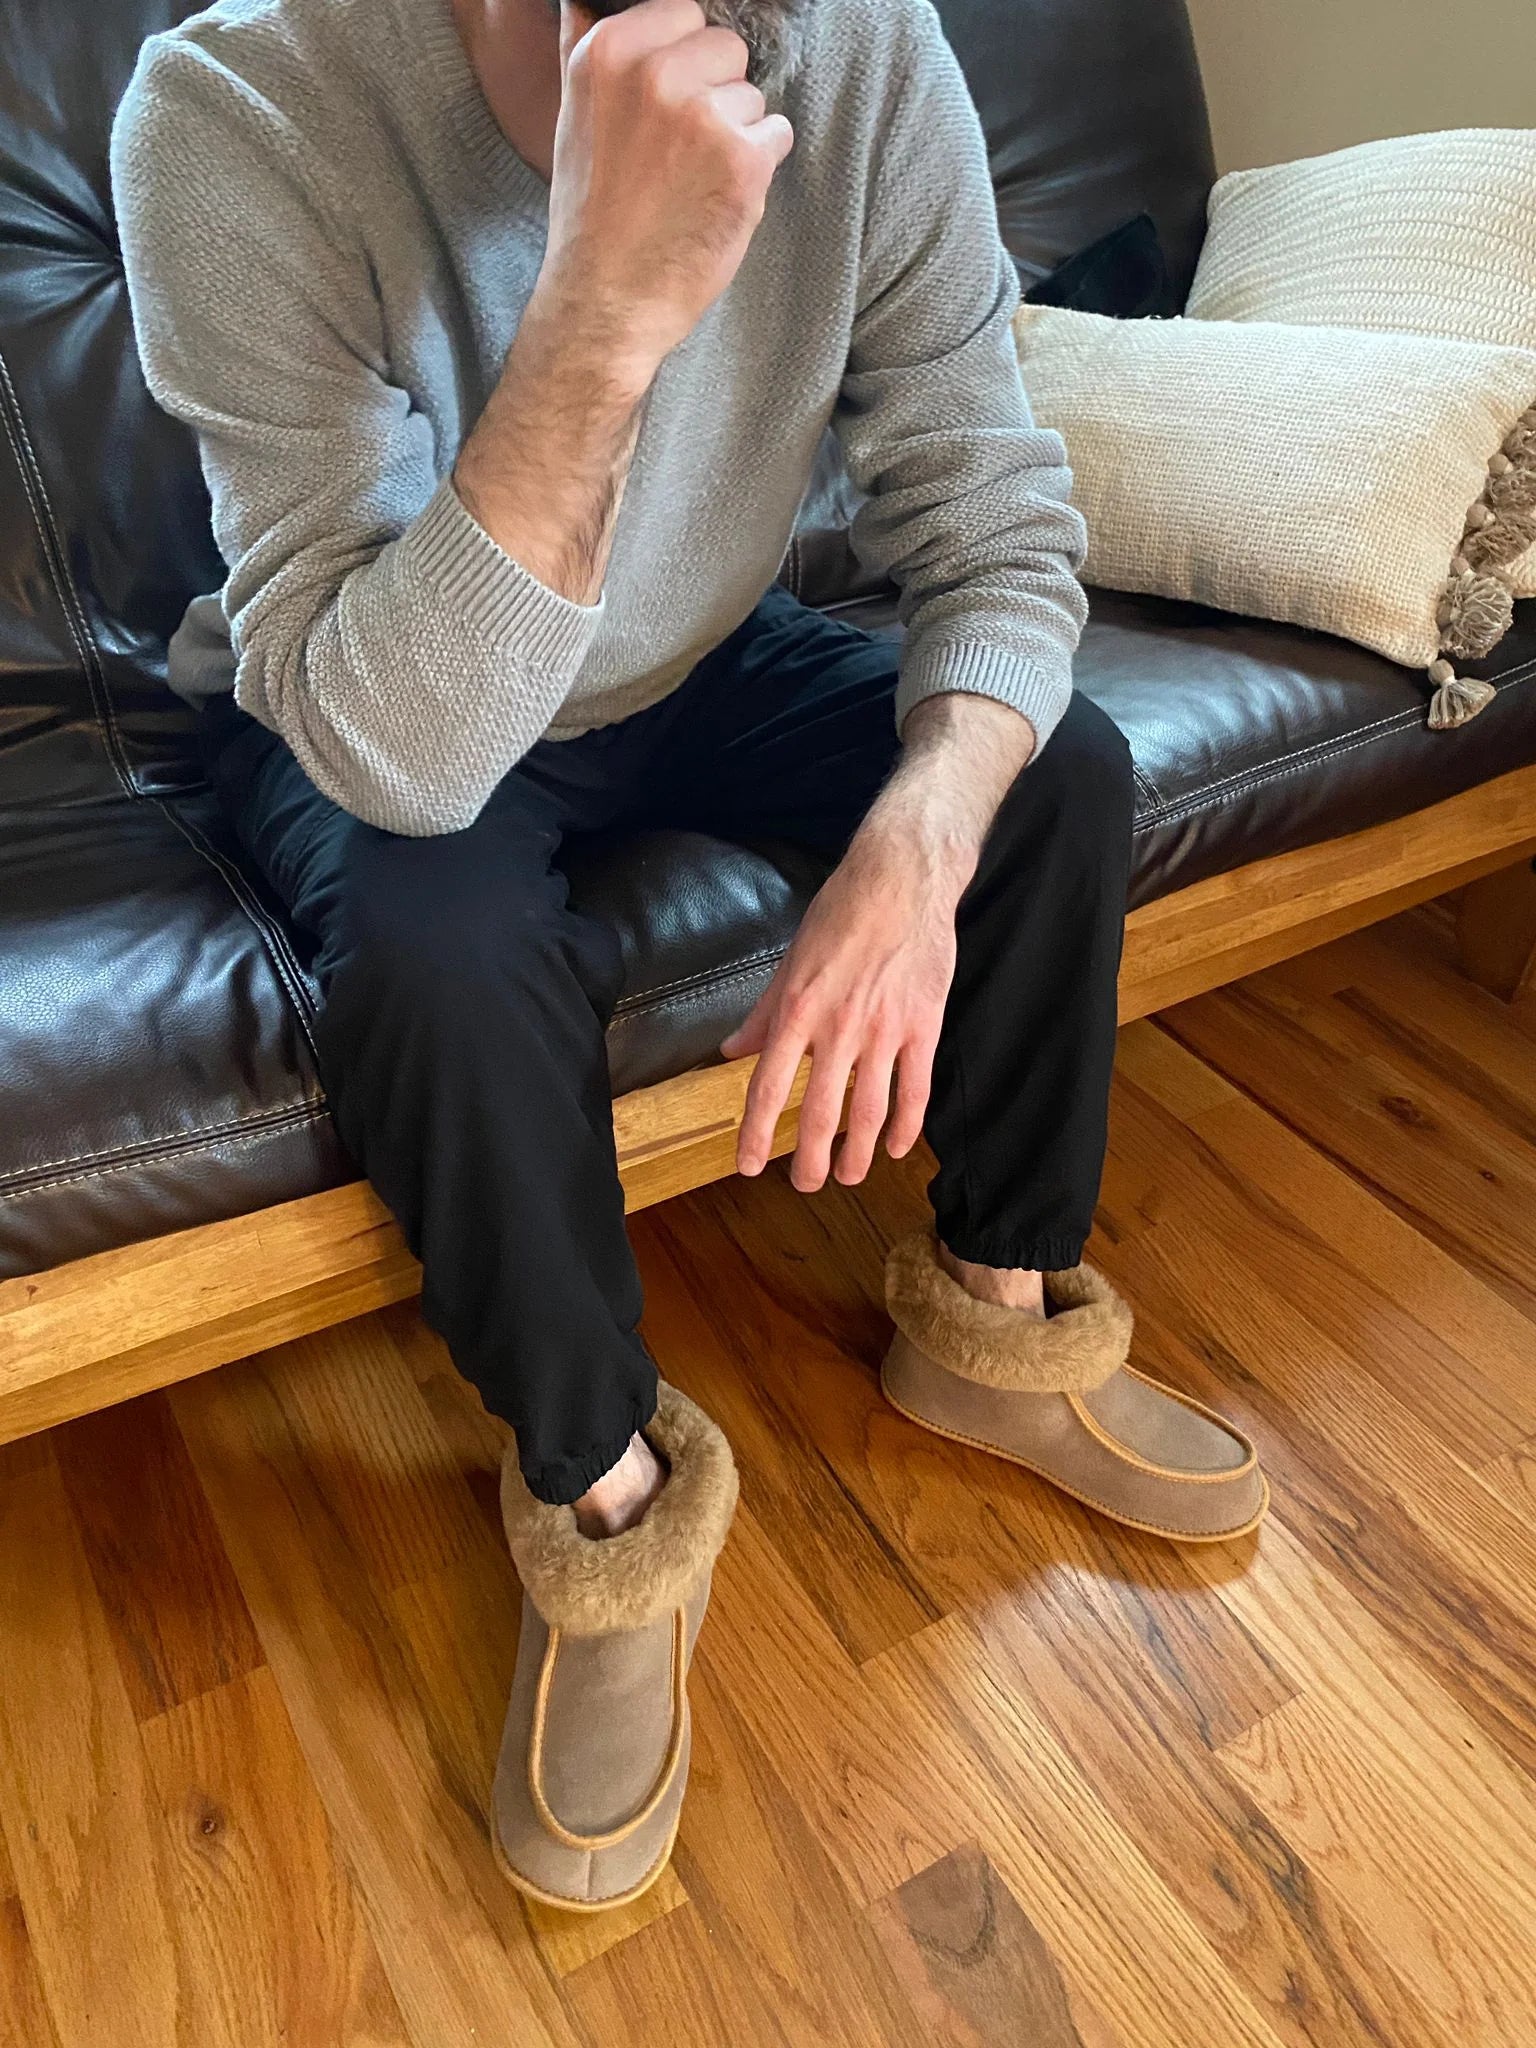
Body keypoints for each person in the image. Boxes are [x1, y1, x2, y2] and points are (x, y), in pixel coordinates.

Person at [111, 0, 1268, 1914]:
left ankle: (999, 1314)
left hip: (692, 649)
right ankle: (602, 1503)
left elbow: (992, 520)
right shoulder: (237, 102)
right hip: (376, 683)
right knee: (439, 948)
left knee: (1042, 763)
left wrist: (915, 843)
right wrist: (597, 314)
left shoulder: (865, 48)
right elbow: (396, 748)